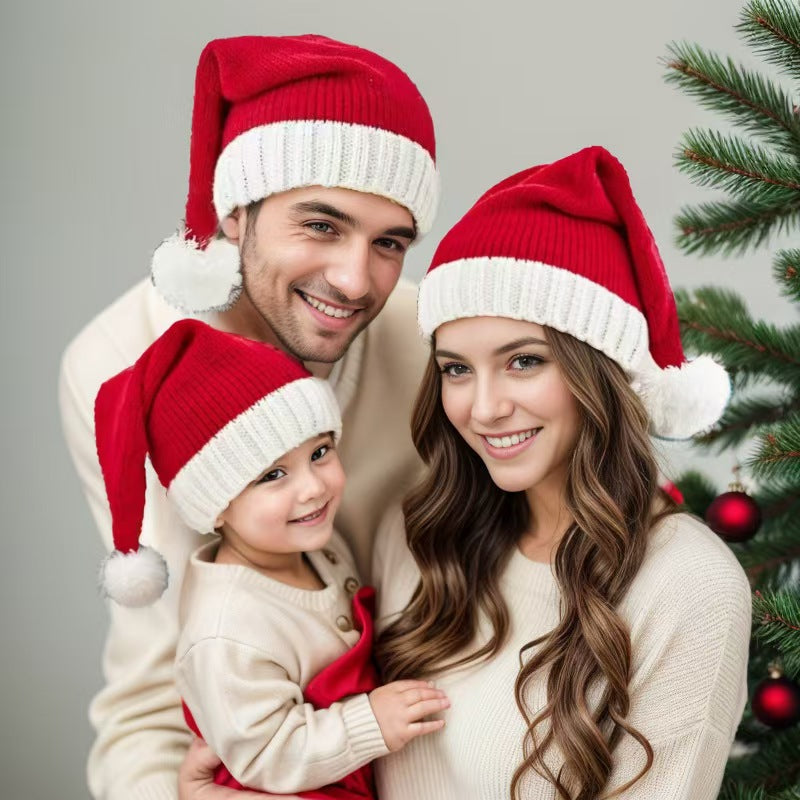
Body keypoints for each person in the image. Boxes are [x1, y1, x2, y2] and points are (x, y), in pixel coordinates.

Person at [58, 35, 439, 800]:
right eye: (321, 226)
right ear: (235, 212)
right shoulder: (118, 366)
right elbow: (156, 685)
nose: (355, 279)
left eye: (389, 242)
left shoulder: (432, 342)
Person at [367, 147, 751, 799]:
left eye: (523, 362)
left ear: (596, 373)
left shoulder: (688, 583)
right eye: (457, 368)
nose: (483, 408)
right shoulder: (416, 537)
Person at [93, 319, 448, 797]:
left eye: (320, 451)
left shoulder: (314, 546)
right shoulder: (225, 632)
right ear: (215, 506)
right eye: (273, 474)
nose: (313, 486)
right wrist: (370, 723)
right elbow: (267, 756)